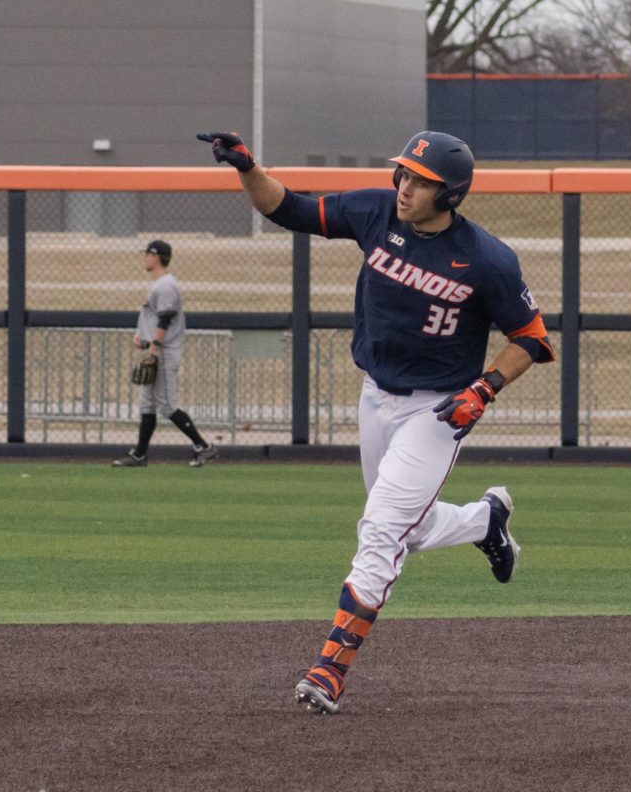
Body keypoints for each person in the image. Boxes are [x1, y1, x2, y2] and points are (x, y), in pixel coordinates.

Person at [197, 129, 554, 714]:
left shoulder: (487, 259)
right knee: (405, 531)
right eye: (404, 174)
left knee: (382, 530)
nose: (405, 187)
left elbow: (532, 338)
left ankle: (330, 666)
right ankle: (485, 521)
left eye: (421, 181)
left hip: (437, 409)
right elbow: (286, 208)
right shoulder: (374, 211)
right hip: (376, 395)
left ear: (451, 195)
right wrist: (247, 168)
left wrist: (483, 390)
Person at [112, 239, 218, 468]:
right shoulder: (159, 284)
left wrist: (153, 348)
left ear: (156, 256)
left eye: (147, 254)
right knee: (147, 405)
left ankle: (203, 447)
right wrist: (143, 339)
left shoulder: (166, 285)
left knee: (167, 405)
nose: (145, 258)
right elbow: (156, 319)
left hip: (164, 352)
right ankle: (140, 455)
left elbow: (166, 318)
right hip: (157, 349)